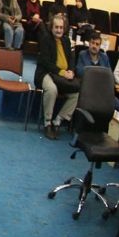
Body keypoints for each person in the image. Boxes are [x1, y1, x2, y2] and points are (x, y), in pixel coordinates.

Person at [33, 13, 79, 141]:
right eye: (56, 27)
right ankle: (47, 123)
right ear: (51, 28)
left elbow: (71, 59)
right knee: (52, 89)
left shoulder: (66, 40)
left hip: (62, 76)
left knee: (76, 93)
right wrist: (62, 72)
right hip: (46, 73)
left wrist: (71, 71)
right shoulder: (46, 39)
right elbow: (46, 63)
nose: (59, 30)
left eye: (61, 27)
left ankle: (58, 120)